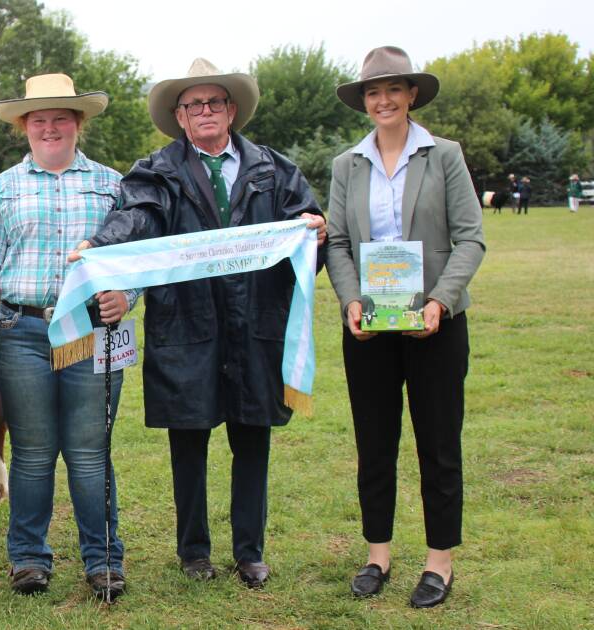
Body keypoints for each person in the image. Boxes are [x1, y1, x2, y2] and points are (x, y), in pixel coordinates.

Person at [74, 59, 326, 590]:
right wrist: (102, 245)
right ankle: (193, 552)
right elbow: (137, 216)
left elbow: (307, 232)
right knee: (189, 441)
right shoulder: (158, 171)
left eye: (215, 102)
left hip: (255, 323)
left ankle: (250, 552)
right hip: (187, 324)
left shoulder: (275, 170)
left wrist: (316, 233)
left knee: (252, 438)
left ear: (231, 110)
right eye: (194, 105)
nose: (205, 111)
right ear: (180, 118)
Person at [0, 73, 132, 601]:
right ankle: (29, 558)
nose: (49, 127)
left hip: (91, 331)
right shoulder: (2, 188)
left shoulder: (113, 184)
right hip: (22, 330)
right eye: (38, 120)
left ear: (78, 123)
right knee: (31, 451)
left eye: (60, 118)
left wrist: (128, 296)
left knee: (90, 451)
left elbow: (131, 259)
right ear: (24, 128)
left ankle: (103, 561)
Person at [326, 46, 485, 608]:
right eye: (373, 91)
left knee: (438, 443)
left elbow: (471, 238)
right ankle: (377, 555)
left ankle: (439, 562)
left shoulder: (444, 155)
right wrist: (349, 300)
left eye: (394, 89)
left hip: (437, 326)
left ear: (412, 94)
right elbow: (340, 243)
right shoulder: (348, 164)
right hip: (368, 329)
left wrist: (441, 300)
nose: (383, 100)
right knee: (375, 443)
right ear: (363, 101)